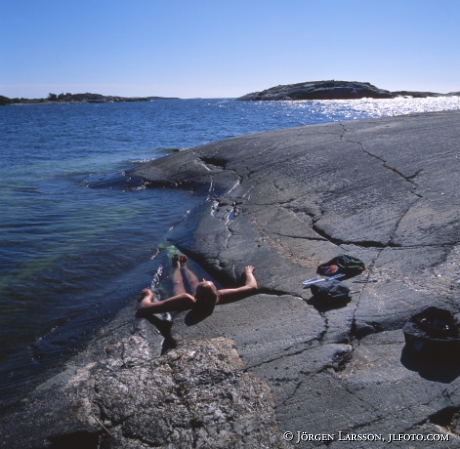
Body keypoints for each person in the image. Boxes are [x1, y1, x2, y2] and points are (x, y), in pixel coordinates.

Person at [137, 254, 258, 317]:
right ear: (216, 292)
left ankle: (178, 267)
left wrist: (148, 295)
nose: (204, 280)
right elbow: (252, 287)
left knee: (178, 284)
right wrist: (248, 273)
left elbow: (145, 308)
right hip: (204, 299)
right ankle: (184, 266)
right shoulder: (220, 296)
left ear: (196, 295)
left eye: (203, 282)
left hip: (188, 306)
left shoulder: (188, 299)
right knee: (194, 282)